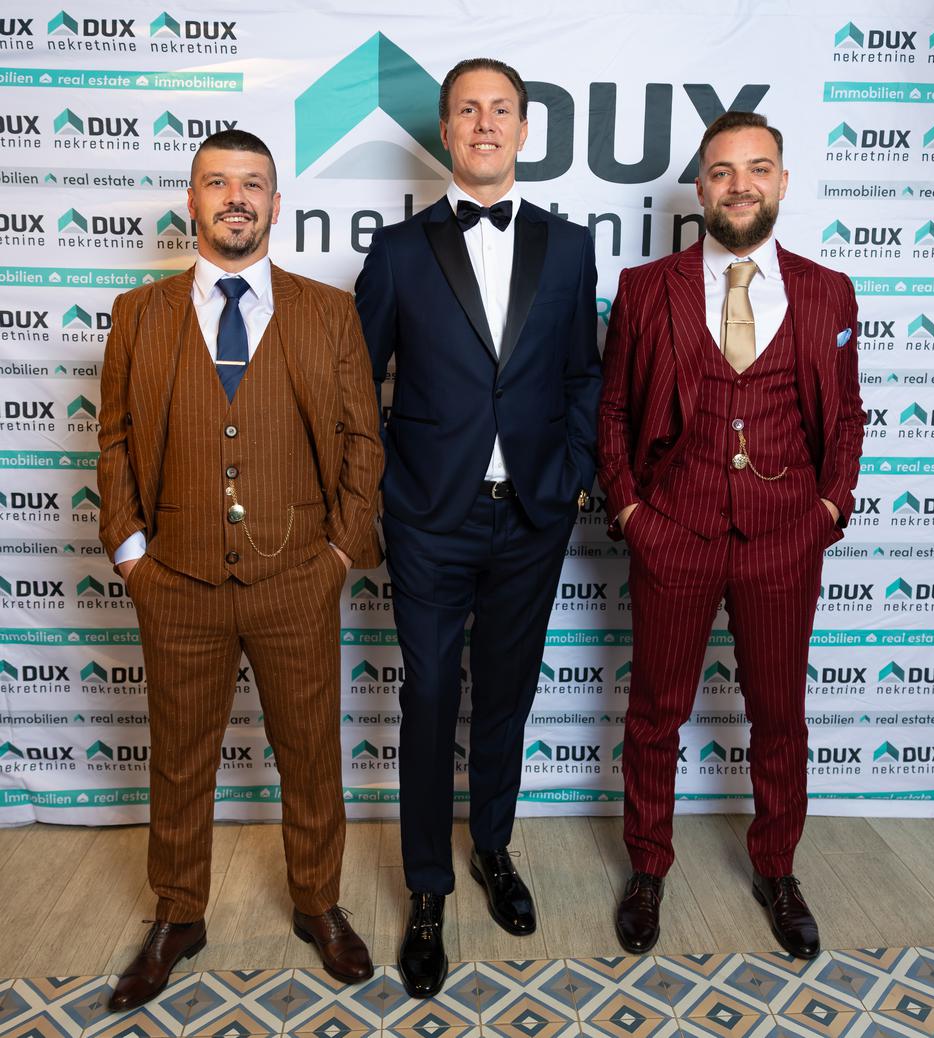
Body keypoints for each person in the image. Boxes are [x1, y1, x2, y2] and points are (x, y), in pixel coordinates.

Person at [97, 129, 384, 1011]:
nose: (235, 197)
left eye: (252, 183)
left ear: (275, 204)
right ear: (192, 201)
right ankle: (179, 914)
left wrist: (339, 554)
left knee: (311, 754)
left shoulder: (327, 312)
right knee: (180, 760)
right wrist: (132, 555)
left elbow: (362, 441)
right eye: (217, 182)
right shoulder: (138, 314)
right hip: (176, 581)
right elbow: (114, 442)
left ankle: (318, 901)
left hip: (297, 576)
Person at [355, 57, 601, 997]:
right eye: (468, 110)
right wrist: (388, 492)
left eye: (501, 109)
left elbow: (583, 375)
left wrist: (571, 477)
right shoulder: (398, 251)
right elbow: (356, 387)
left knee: (505, 695)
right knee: (427, 699)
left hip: (533, 514)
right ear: (447, 132)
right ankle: (427, 888)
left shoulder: (569, 248)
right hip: (429, 518)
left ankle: (493, 846)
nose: (486, 123)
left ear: (524, 130)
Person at [598, 111, 864, 959]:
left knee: (780, 717)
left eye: (757, 169)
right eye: (722, 171)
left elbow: (847, 416)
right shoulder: (647, 288)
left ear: (782, 181)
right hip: (674, 530)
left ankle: (777, 870)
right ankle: (648, 867)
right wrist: (632, 513)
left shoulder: (828, 291)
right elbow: (612, 411)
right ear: (700, 188)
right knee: (655, 714)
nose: (740, 185)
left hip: (785, 538)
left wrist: (828, 510)